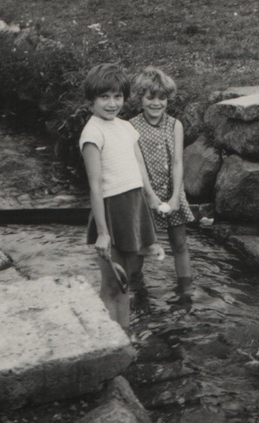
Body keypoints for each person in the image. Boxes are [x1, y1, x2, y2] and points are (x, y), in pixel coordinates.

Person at [80, 63, 159, 335]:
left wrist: (151, 197)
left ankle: (125, 338)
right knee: (111, 284)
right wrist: (103, 232)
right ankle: (108, 341)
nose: (112, 103)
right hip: (111, 209)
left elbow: (139, 165)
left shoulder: (126, 127)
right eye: (104, 97)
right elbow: (95, 184)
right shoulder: (92, 133)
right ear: (91, 99)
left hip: (133, 205)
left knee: (126, 282)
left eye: (117, 96)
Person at [129, 66, 196, 298]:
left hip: (171, 192)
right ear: (141, 98)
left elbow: (177, 162)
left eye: (162, 98)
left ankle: (185, 291)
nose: (156, 103)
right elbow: (138, 165)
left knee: (180, 243)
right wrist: (151, 197)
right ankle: (136, 290)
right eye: (150, 98)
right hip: (144, 195)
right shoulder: (131, 127)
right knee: (140, 246)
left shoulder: (175, 125)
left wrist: (176, 196)